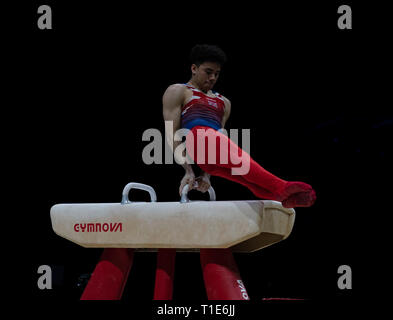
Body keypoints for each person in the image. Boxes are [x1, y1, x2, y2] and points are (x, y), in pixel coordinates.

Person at [162, 44, 316, 208]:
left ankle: (278, 196)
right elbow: (172, 133)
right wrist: (188, 170)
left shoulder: (224, 102)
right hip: (196, 140)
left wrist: (205, 176)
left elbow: (220, 139)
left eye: (217, 73)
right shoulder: (179, 91)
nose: (213, 77)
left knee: (246, 176)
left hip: (212, 155)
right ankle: (281, 186)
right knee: (213, 140)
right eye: (208, 72)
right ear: (194, 68)